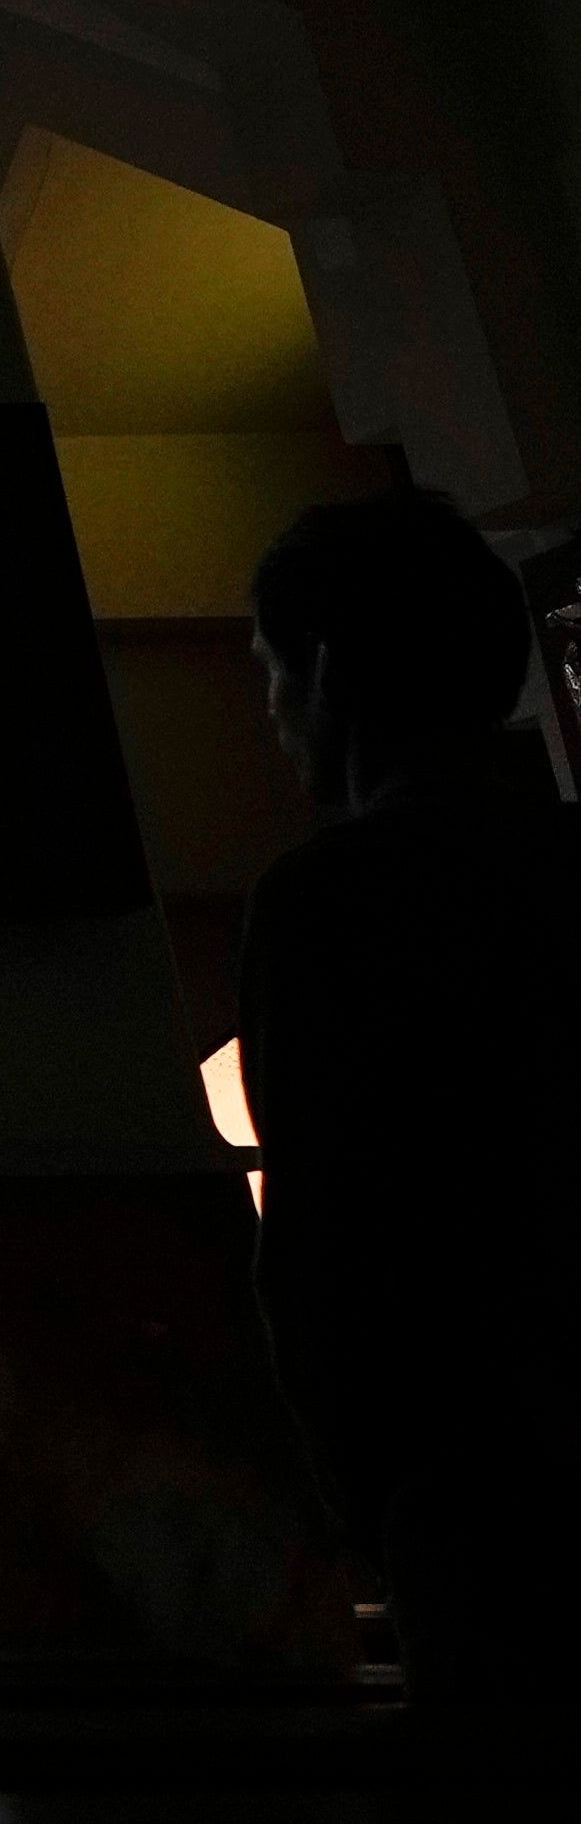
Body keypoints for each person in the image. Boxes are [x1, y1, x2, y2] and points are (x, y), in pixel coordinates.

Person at [236, 484, 581, 1701]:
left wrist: (370, 1495)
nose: (271, 712)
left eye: (271, 672)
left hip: (486, 1496)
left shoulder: (330, 903)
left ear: (327, 672)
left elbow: (321, 1246)